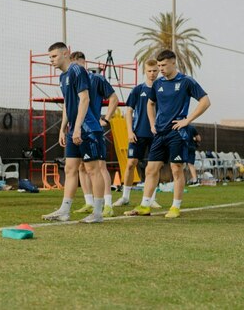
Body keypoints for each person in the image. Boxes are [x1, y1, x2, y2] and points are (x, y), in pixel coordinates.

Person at [126, 49, 210, 218]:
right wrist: (152, 124)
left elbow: (205, 101)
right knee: (151, 169)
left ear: (173, 63)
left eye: (163, 65)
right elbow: (150, 104)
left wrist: (187, 120)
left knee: (176, 169)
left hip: (177, 133)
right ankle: (145, 206)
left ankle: (175, 207)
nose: (161, 69)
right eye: (159, 65)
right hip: (159, 134)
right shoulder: (158, 83)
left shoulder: (186, 81)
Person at [42, 43, 106, 223]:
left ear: (65, 54)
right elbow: (67, 104)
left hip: (88, 128)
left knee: (93, 169)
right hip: (73, 129)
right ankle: (64, 211)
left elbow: (84, 99)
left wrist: (78, 127)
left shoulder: (77, 70)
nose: (51, 60)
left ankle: (98, 213)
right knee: (70, 169)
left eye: (54, 56)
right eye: (50, 57)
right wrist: (63, 128)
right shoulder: (62, 77)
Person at [69, 52, 118, 218]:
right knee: (82, 167)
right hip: (77, 128)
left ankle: (108, 204)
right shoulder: (72, 80)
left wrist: (107, 118)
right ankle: (89, 202)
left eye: (76, 65)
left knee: (100, 166)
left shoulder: (96, 79)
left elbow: (113, 98)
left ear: (82, 63)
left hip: (93, 128)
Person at [114, 60, 161, 207]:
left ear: (159, 71)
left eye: (155, 71)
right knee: (131, 164)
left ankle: (151, 199)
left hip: (156, 134)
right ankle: (125, 197)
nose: (152, 73)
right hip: (138, 133)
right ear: (145, 71)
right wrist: (130, 131)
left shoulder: (162, 89)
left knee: (154, 167)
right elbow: (129, 111)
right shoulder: (137, 90)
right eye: (149, 71)